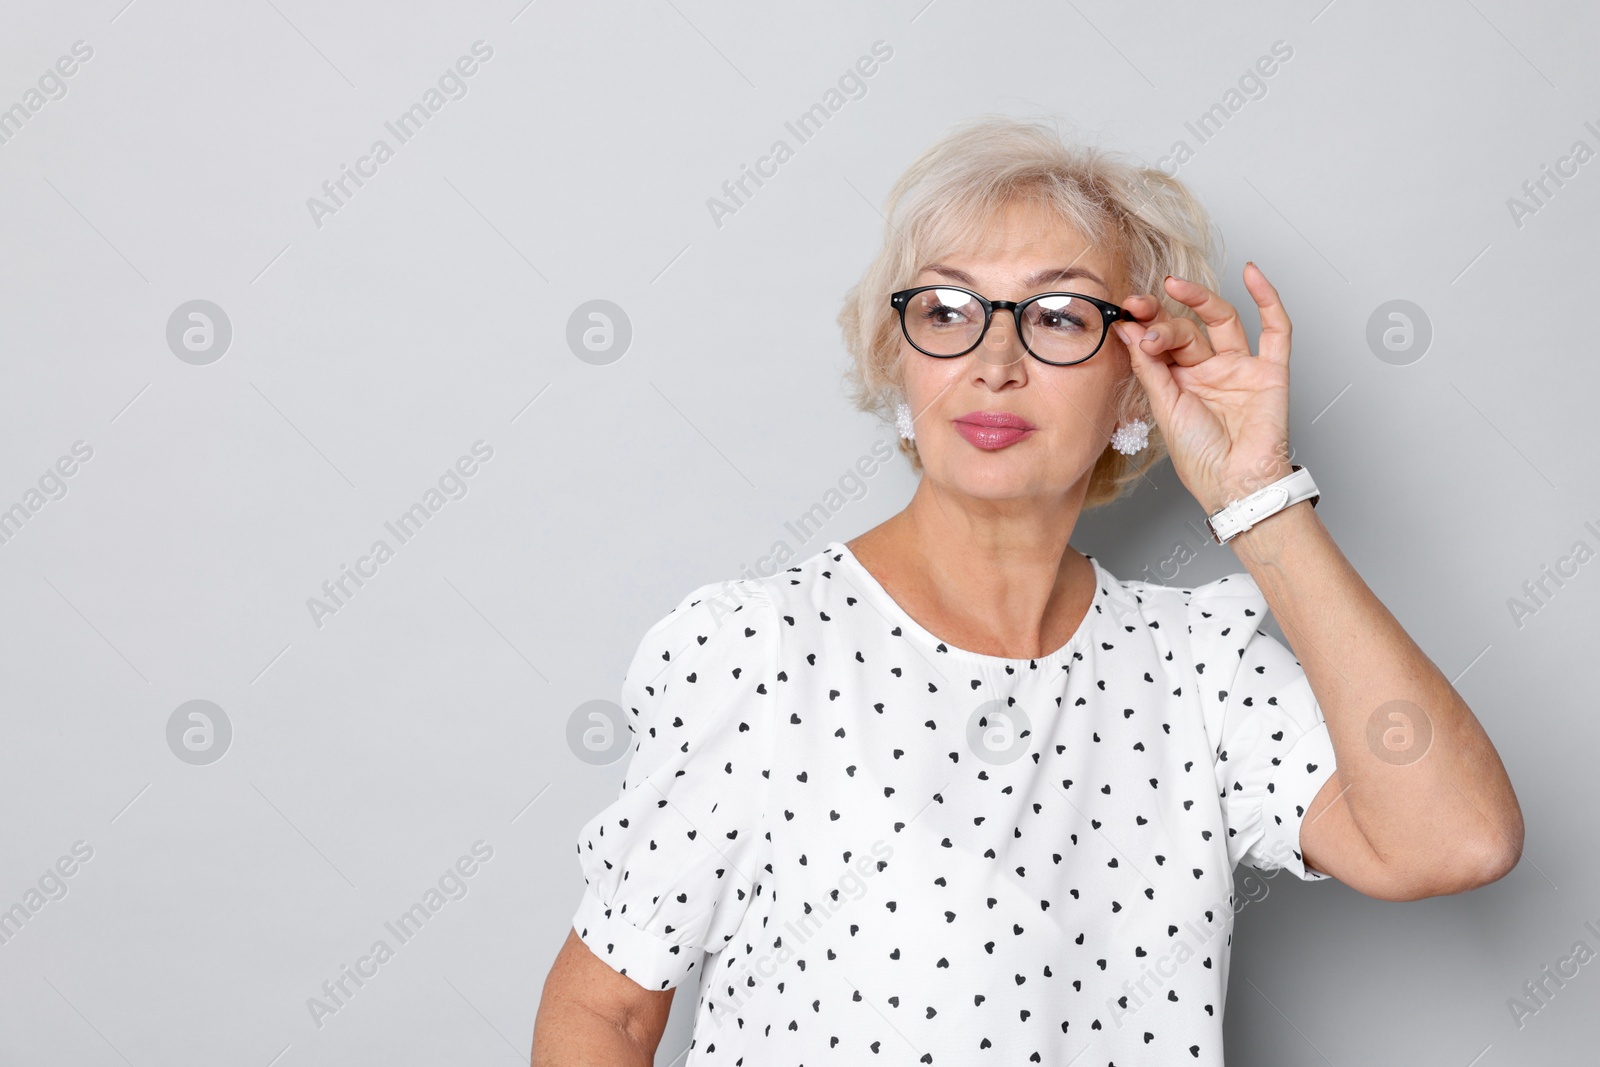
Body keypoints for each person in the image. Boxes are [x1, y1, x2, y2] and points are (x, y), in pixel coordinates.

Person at [531, 115, 1522, 1066]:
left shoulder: (1198, 669)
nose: (994, 363)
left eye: (1057, 315)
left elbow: (1457, 838)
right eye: (949, 311)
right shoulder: (756, 650)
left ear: (1138, 381)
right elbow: (604, 1008)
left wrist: (1255, 495)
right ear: (897, 358)